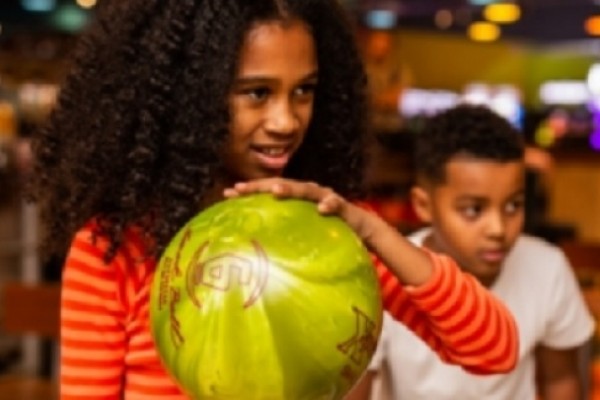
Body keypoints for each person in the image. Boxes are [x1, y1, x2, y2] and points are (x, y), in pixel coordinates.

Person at [29, 2, 518, 399]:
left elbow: (494, 349)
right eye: (257, 93)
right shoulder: (114, 246)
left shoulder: (332, 229)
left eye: (304, 91)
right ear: (191, 97)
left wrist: (371, 231)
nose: (286, 121)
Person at [352, 104, 595, 399]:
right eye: (473, 210)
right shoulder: (383, 277)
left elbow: (560, 380)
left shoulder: (548, 268)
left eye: (513, 205)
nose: (497, 228)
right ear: (423, 205)